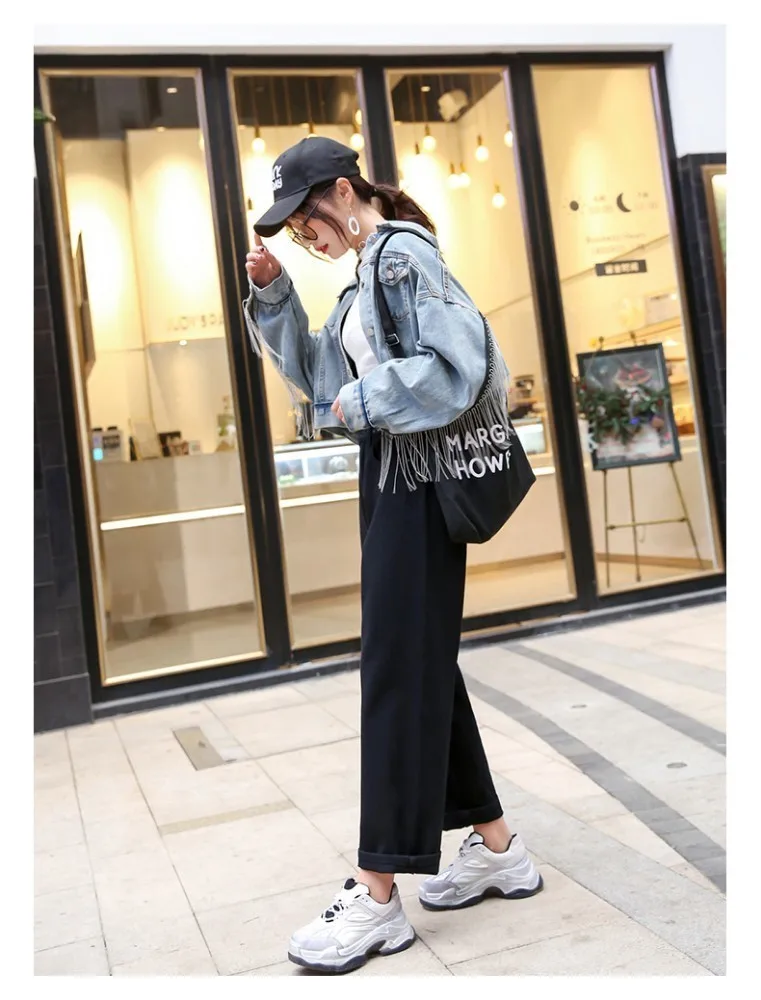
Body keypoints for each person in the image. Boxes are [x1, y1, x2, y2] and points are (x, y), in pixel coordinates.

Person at [244, 136, 543, 975]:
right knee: (419, 664)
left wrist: (361, 400)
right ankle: (497, 848)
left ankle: (376, 895)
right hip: (391, 474)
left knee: (394, 671)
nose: (303, 233)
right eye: (291, 228)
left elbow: (456, 369)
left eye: (305, 216)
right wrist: (273, 295)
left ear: (343, 192)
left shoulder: (402, 257)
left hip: (415, 480)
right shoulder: (361, 278)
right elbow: (317, 380)